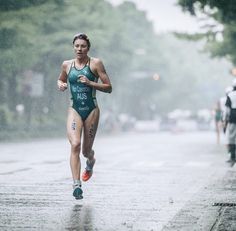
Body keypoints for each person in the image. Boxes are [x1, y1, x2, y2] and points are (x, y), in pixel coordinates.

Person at [57, 33, 112, 199]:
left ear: (88, 48)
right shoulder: (67, 65)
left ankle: (91, 160)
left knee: (85, 151)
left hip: (91, 110)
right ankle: (76, 185)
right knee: (75, 144)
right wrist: (61, 84)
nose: (79, 49)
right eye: (77, 46)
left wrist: (90, 83)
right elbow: (60, 79)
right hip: (75, 109)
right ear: (73, 47)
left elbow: (109, 87)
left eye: (83, 46)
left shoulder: (95, 64)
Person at [223, 79, 236, 166]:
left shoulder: (230, 95)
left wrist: (224, 120)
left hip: (233, 118)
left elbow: (226, 110)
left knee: (232, 137)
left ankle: (232, 156)